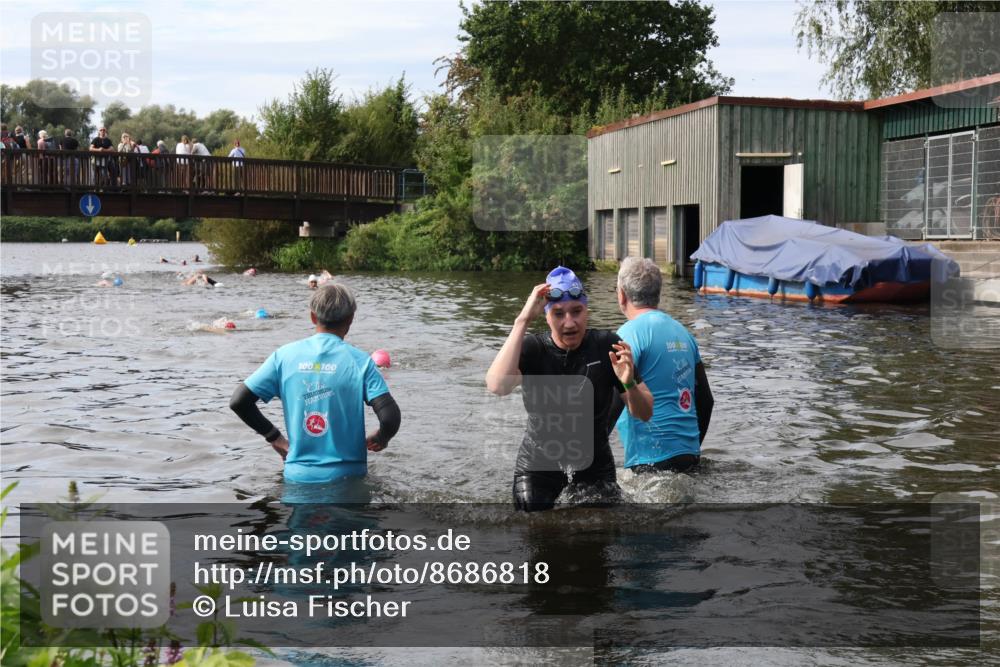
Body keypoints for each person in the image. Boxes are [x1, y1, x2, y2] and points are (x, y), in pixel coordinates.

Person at [486, 266, 653, 512]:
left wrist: (628, 383)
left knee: (598, 539)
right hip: (539, 465)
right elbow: (497, 386)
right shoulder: (534, 348)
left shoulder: (608, 345)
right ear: (546, 316)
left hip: (595, 465)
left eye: (577, 311)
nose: (569, 322)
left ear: (587, 310)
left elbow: (645, 413)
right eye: (558, 313)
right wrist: (522, 320)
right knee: (539, 533)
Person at [230, 283, 402, 484]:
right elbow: (390, 417)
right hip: (349, 479)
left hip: (298, 478)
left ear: (313, 316)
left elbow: (239, 401)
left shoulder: (283, 357)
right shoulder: (361, 362)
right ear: (351, 319)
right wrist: (382, 438)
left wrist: (274, 437)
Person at [613, 257, 714, 475]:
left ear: (621, 294)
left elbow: (610, 404)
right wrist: (691, 448)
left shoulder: (626, 336)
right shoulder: (684, 334)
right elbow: (706, 401)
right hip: (690, 456)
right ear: (659, 293)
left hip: (649, 460)